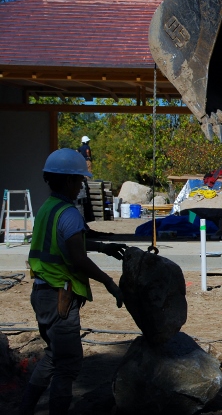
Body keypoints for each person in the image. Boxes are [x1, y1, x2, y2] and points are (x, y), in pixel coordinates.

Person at [19, 148, 127, 415]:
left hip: (43, 292)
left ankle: (24, 409)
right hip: (59, 297)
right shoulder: (68, 213)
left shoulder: (49, 208)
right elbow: (78, 258)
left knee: (54, 356)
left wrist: (103, 247)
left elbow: (70, 239)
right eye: (79, 180)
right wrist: (108, 281)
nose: (81, 185)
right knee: (67, 363)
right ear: (68, 180)